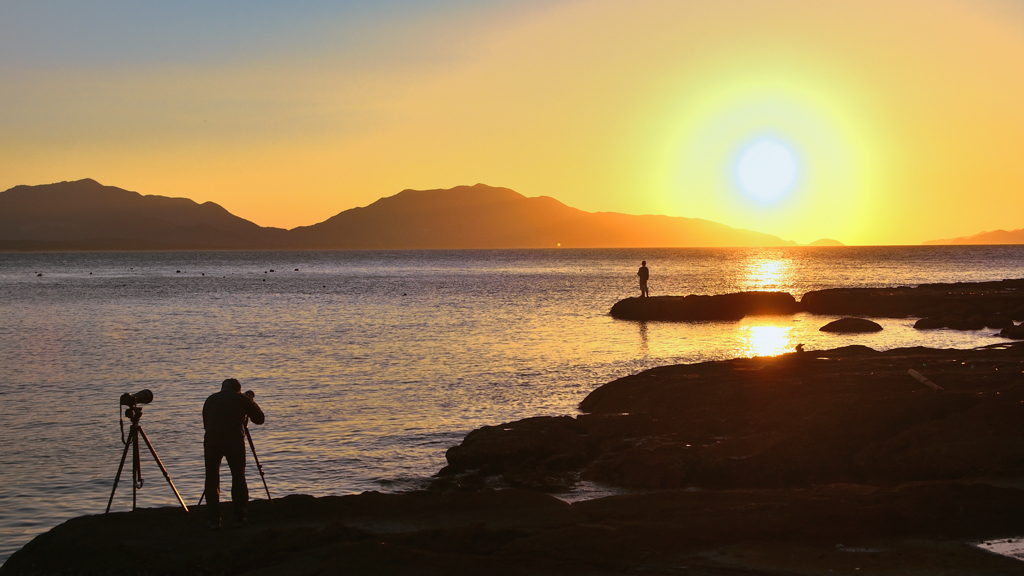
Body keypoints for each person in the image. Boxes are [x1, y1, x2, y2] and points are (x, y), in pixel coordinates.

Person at [203, 378, 264, 528]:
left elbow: (206, 423)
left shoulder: (210, 399)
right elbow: (259, 419)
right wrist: (250, 401)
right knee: (238, 475)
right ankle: (239, 515)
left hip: (211, 439)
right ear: (238, 389)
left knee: (211, 478)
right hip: (233, 439)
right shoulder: (241, 398)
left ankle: (213, 518)